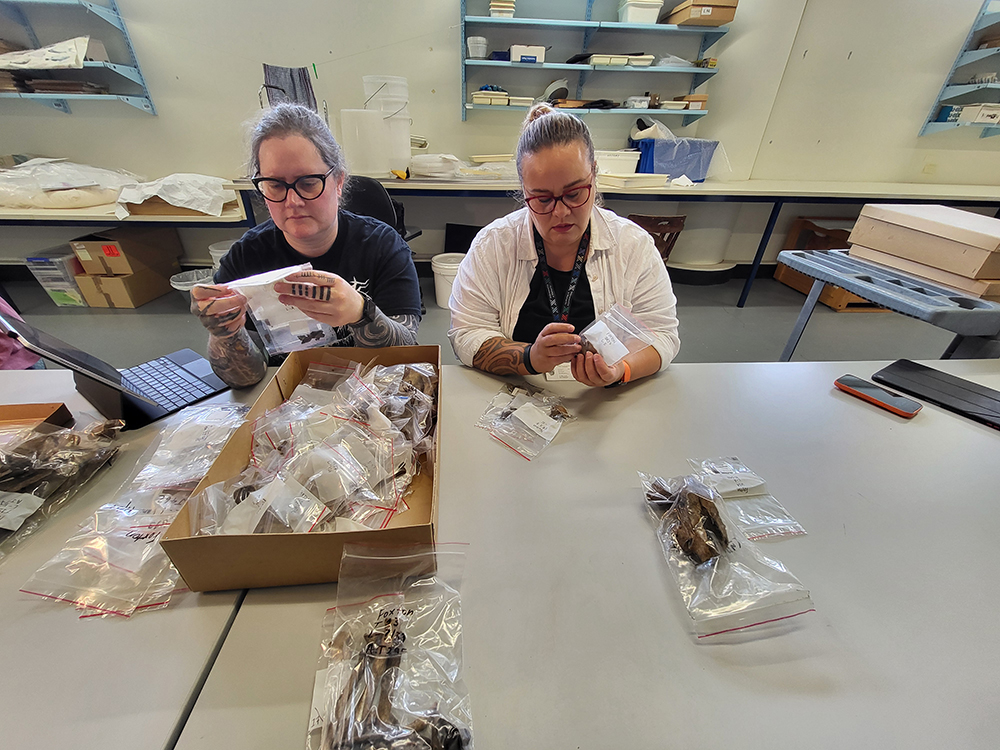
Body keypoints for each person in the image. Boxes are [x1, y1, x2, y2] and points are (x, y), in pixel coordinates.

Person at [191, 103, 422, 388]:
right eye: (275, 185)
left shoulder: (383, 246)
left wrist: (361, 313)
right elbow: (246, 379)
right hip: (288, 400)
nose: (293, 201)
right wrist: (225, 334)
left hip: (370, 395)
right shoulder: (245, 258)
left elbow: (408, 351)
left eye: (309, 183)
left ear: (338, 182)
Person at [448, 105, 680, 388]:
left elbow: (662, 335)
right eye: (542, 199)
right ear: (524, 191)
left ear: (594, 176)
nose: (560, 212)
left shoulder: (633, 246)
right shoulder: (493, 245)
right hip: (514, 398)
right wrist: (529, 357)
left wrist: (620, 370)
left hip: (603, 404)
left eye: (574, 194)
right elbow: (466, 333)